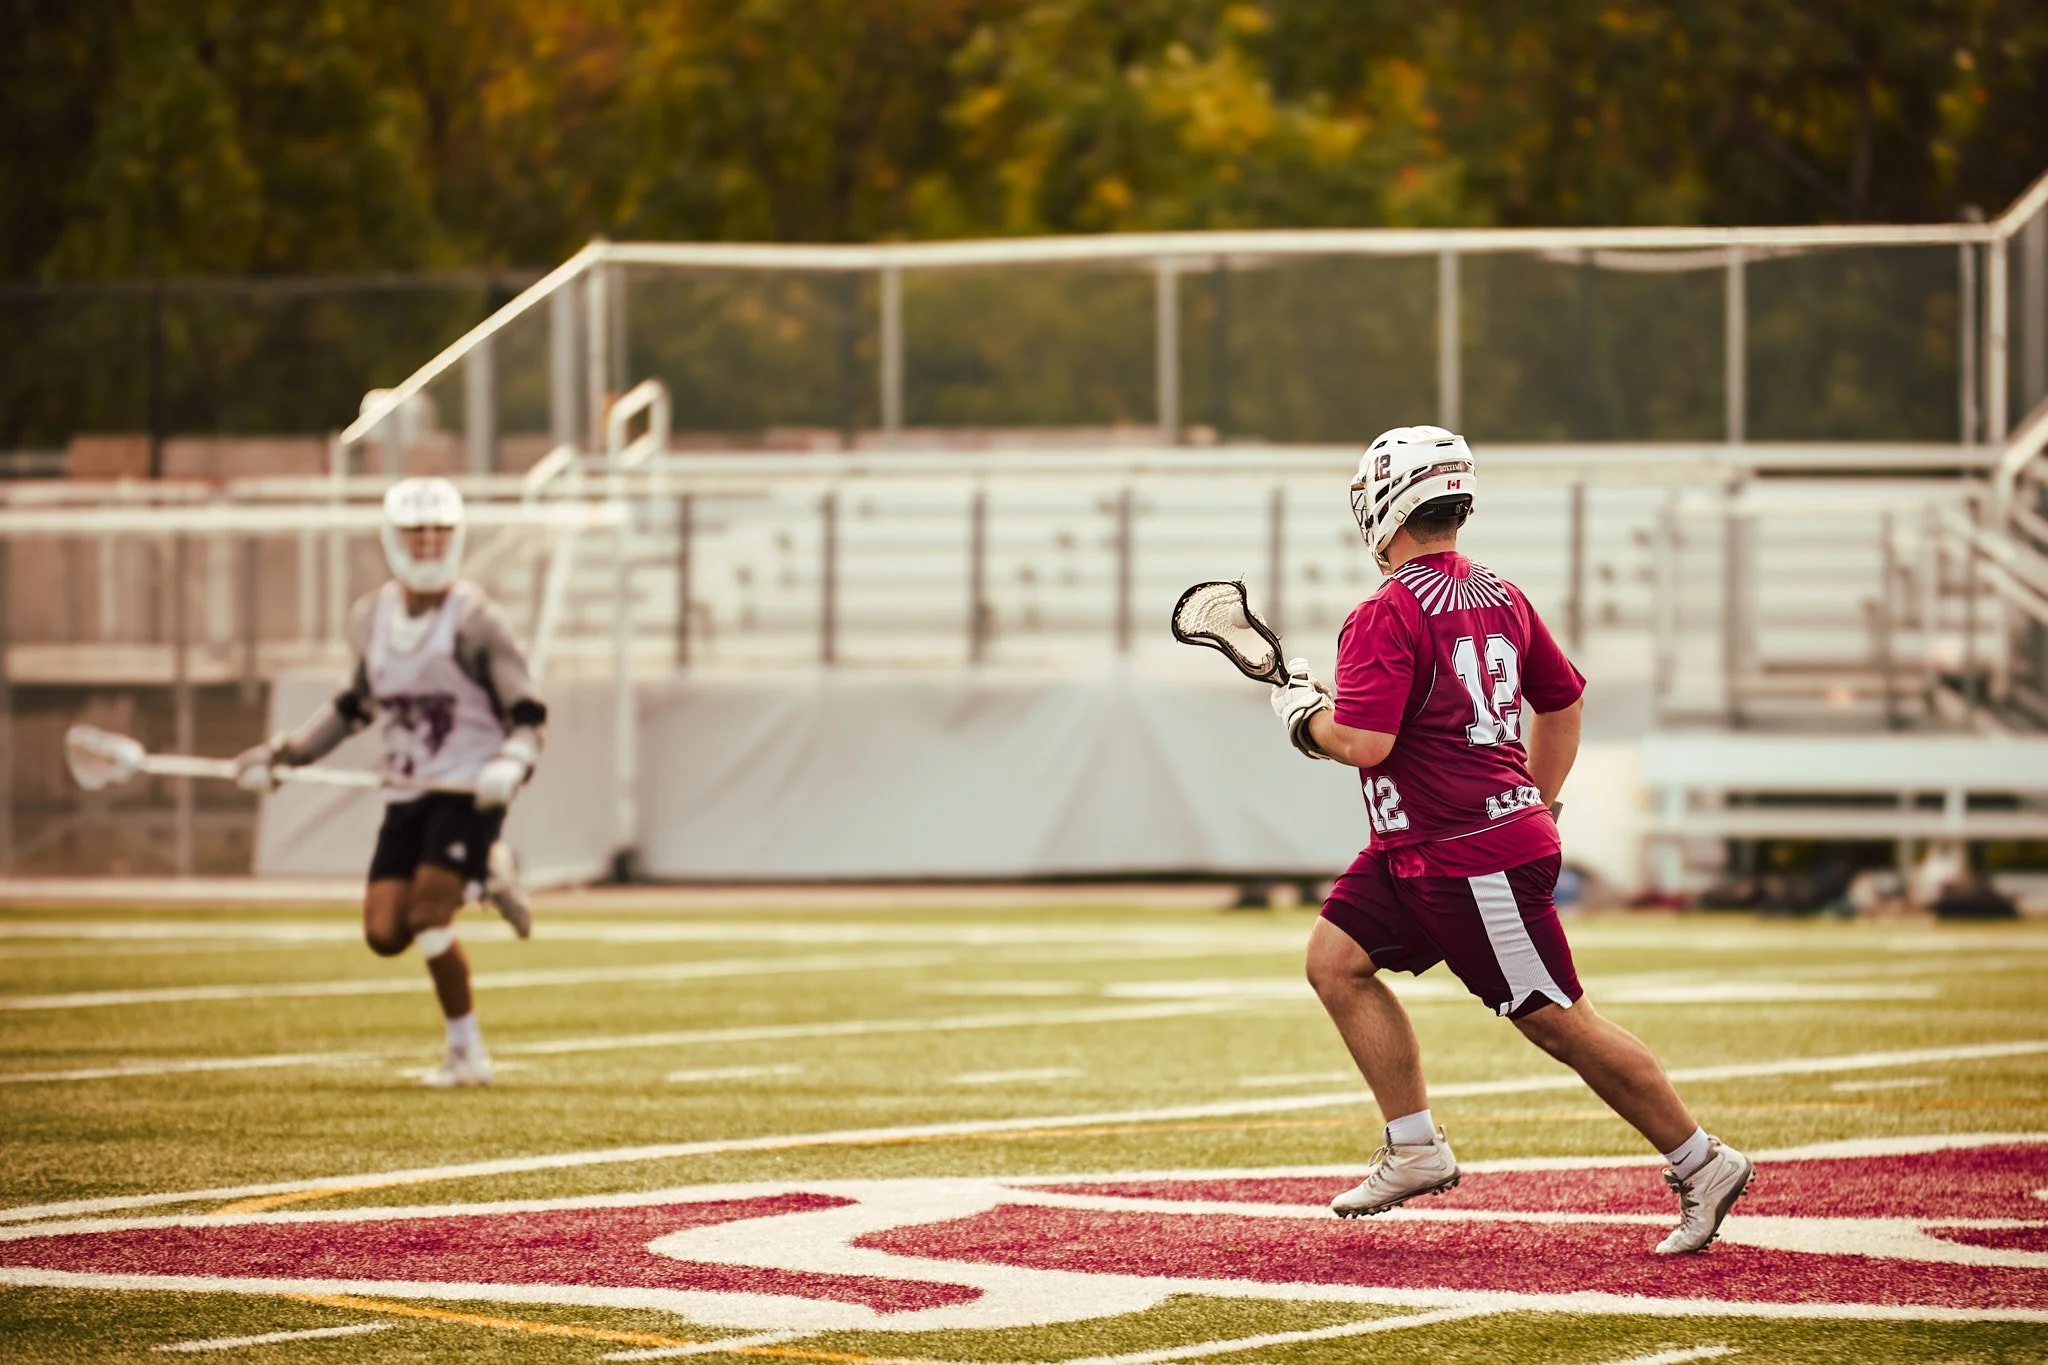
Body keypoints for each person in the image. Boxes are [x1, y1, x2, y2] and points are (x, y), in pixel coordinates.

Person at [1272, 425, 1752, 1254]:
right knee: (1334, 960)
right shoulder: (1501, 592)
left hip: (1468, 854)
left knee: (1558, 1020)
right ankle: (1415, 1144)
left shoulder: (1385, 612)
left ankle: (1701, 1159)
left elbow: (1365, 742)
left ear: (1385, 502)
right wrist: (1542, 799)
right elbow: (1560, 702)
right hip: (1420, 847)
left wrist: (1301, 719)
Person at [235, 476, 543, 1089]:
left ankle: (468, 1054)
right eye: (416, 533)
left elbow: (528, 713)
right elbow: (355, 707)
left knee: (430, 914)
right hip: (406, 791)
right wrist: (285, 755)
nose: (428, 545)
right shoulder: (371, 618)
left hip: (466, 789)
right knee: (383, 933)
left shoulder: (478, 620)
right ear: (393, 538)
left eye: (439, 533)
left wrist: (510, 764)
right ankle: (489, 869)